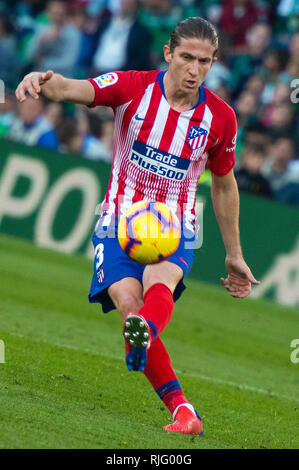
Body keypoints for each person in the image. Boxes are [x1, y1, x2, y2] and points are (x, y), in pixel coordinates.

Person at [15, 16, 259, 436]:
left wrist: (234, 253)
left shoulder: (220, 119)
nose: (193, 69)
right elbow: (77, 88)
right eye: (186, 57)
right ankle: (185, 411)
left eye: (204, 61)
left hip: (175, 227)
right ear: (168, 54)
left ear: (214, 62)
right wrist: (41, 80)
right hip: (116, 224)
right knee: (131, 305)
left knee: (158, 288)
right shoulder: (133, 87)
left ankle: (145, 334)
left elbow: (224, 184)